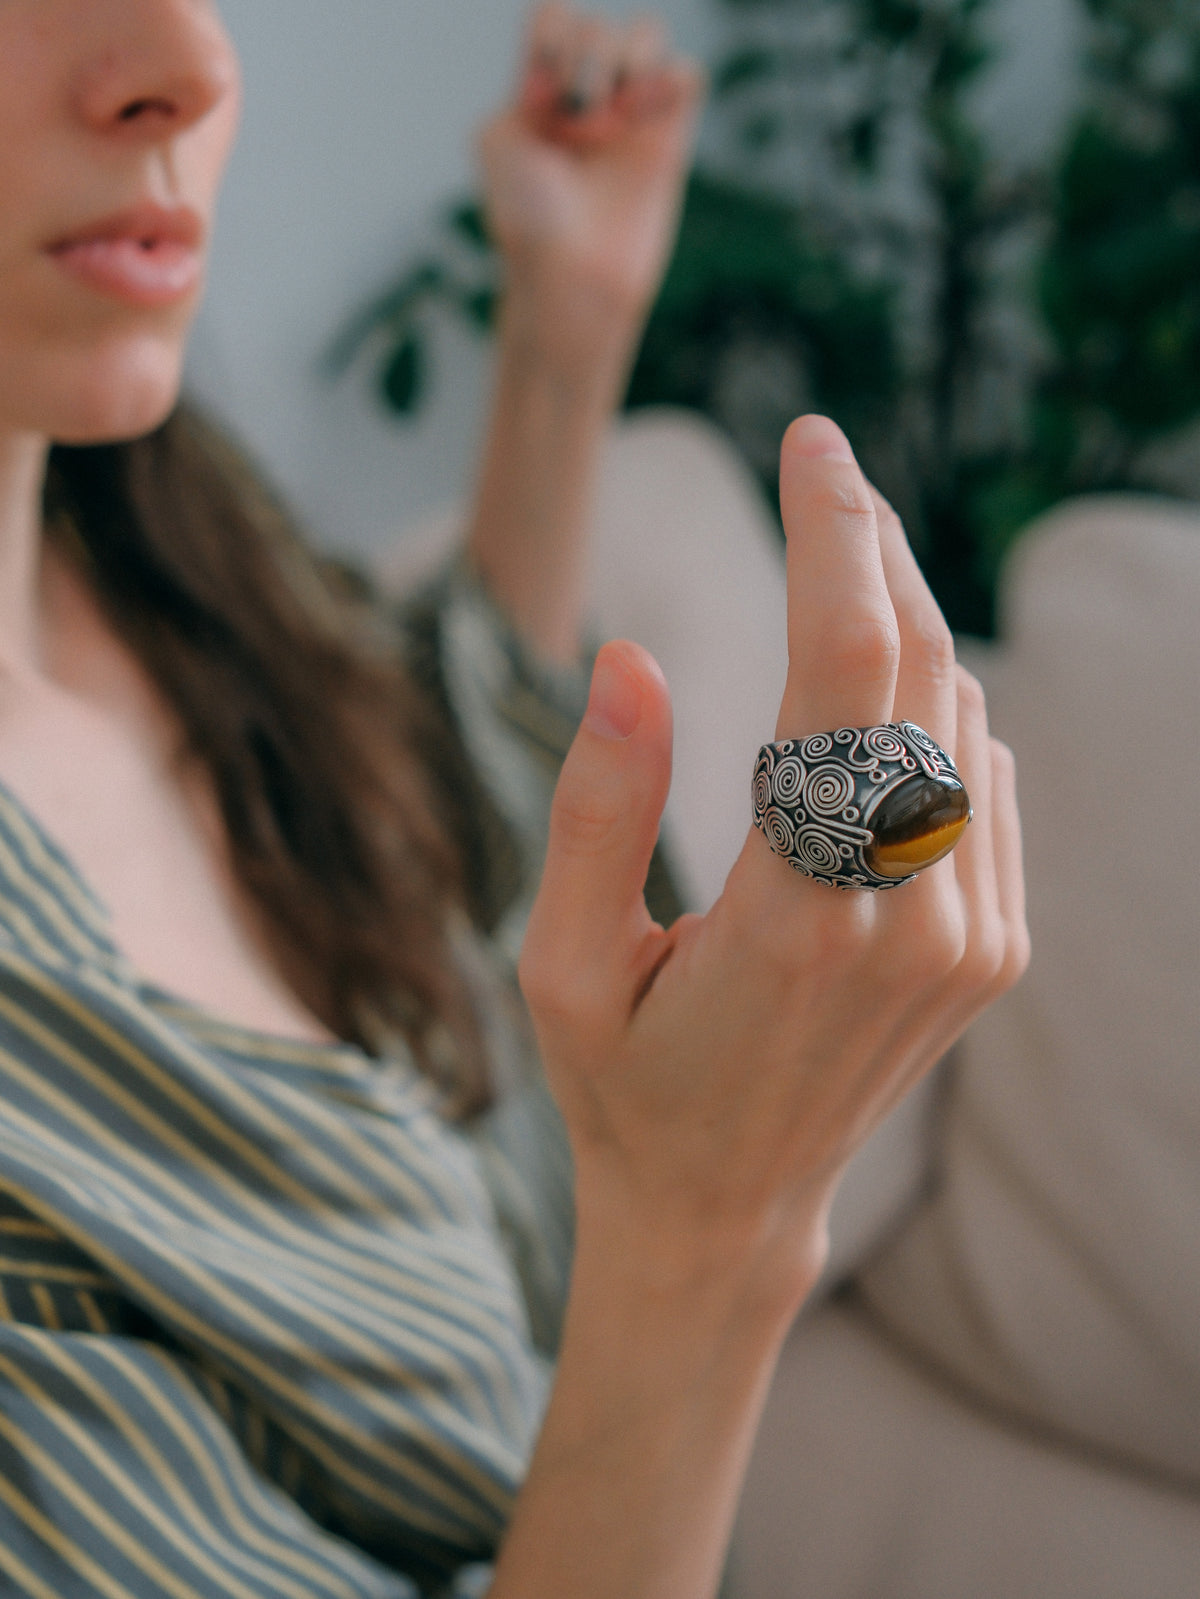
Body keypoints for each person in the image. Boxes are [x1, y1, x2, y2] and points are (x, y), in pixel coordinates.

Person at [0, 3, 1028, 1596]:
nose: (190, 67)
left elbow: (430, 832)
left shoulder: (162, 547)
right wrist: (709, 1232)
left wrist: (564, 331)